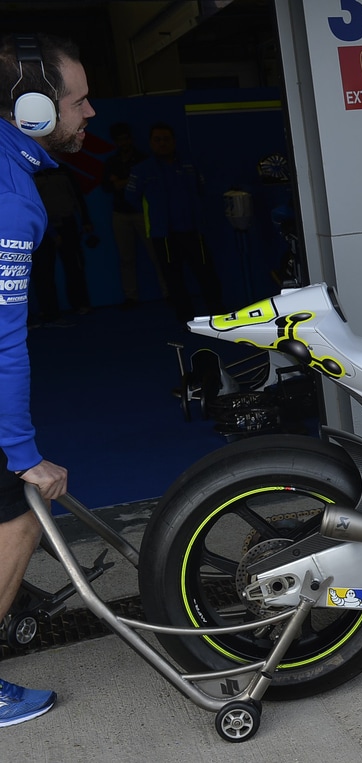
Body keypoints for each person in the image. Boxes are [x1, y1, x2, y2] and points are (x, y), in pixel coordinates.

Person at [0, 31, 89, 727]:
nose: (90, 112)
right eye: (78, 100)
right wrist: (23, 452)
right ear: (33, 109)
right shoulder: (10, 197)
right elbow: (2, 339)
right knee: (21, 516)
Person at [126, 122, 224, 324]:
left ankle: (219, 315)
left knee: (207, 274)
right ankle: (186, 319)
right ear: (151, 143)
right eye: (157, 140)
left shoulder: (189, 165)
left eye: (166, 139)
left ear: (174, 141)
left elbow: (201, 190)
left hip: (193, 231)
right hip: (164, 235)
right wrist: (156, 215)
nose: (162, 143)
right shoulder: (142, 170)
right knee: (174, 279)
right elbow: (131, 198)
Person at [100, 122, 165, 308]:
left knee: (156, 254)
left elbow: (147, 184)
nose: (123, 143)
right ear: (116, 141)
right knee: (126, 258)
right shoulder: (112, 161)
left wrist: (121, 182)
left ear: (131, 139)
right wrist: (128, 181)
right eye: (120, 140)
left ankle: (168, 292)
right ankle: (131, 296)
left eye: (126, 139)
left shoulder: (143, 159)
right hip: (120, 213)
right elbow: (106, 186)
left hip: (142, 213)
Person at [30, 158, 92, 326]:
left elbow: (76, 194)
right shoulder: (29, 170)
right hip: (41, 228)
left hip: (67, 222)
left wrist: (85, 220)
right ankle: (50, 313)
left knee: (74, 265)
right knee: (43, 271)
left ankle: (80, 304)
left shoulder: (63, 169)